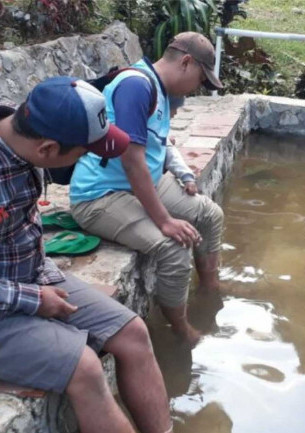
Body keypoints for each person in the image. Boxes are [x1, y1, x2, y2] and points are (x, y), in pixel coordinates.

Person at [0, 76, 206, 433]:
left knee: (131, 330)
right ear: (48, 152)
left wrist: (42, 282)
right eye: (87, 152)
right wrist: (32, 300)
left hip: (30, 277)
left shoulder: (20, 137)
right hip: (12, 298)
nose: (98, 158)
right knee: (85, 369)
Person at [70, 32, 225, 348]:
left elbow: (159, 145)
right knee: (173, 248)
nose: (198, 87)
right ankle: (180, 330)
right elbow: (132, 161)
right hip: (101, 196)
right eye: (200, 78)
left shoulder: (162, 90)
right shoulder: (136, 86)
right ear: (185, 62)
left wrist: (181, 174)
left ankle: (211, 291)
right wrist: (165, 221)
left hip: (144, 183)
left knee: (210, 214)